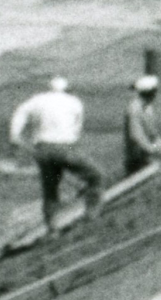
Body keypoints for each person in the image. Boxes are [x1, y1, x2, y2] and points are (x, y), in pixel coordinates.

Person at [9, 76, 106, 234]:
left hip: (42, 149)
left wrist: (15, 135)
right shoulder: (74, 102)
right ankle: (92, 216)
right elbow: (76, 129)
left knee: (50, 189)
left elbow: (20, 112)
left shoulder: (37, 100)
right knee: (96, 176)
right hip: (65, 147)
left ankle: (53, 228)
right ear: (66, 89)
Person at [123, 74, 161, 176]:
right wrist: (153, 150)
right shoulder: (134, 109)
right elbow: (136, 136)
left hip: (149, 147)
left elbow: (152, 135)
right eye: (155, 91)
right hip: (139, 156)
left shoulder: (147, 107)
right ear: (150, 93)